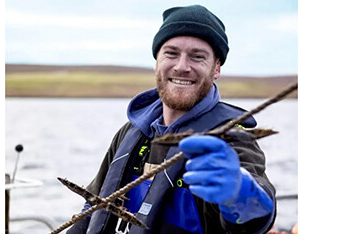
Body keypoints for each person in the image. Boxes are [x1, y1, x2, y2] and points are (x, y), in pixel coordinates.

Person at [68, 5, 276, 234]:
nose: (181, 67)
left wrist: (241, 193)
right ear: (157, 60)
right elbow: (91, 206)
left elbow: (257, 222)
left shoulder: (232, 140)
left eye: (197, 57)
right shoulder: (130, 133)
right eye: (171, 53)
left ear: (216, 68)